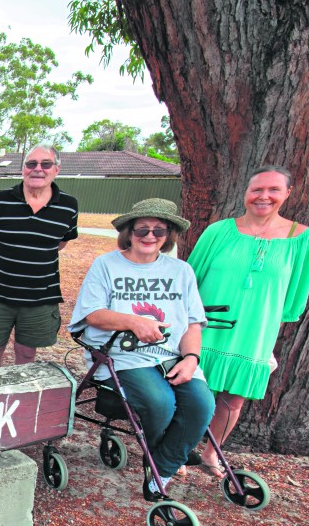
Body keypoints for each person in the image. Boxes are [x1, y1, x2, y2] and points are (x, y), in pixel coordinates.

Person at [70, 198, 215, 501]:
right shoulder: (106, 265)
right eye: (142, 229)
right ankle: (173, 454)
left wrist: (191, 358)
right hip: (123, 356)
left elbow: (192, 323)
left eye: (159, 230)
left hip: (172, 355)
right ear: (129, 232)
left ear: (168, 234)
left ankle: (162, 466)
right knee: (159, 402)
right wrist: (133, 322)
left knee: (201, 404)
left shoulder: (181, 271)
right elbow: (92, 314)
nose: (150, 236)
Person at [187, 165, 309, 474]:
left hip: (255, 331)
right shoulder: (219, 231)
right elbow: (189, 277)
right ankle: (178, 451)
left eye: (274, 190)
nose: (264, 196)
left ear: (287, 193)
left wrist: (272, 328)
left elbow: (296, 291)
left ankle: (211, 453)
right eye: (257, 189)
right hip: (205, 327)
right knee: (189, 392)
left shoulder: (302, 238)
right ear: (246, 192)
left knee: (233, 400)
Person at [0, 144, 78, 368]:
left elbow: (60, 242)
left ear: (57, 169)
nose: (37, 169)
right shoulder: (0, 200)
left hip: (40, 296)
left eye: (46, 164)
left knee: (27, 353)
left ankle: (21, 391)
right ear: (23, 169)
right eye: (31, 164)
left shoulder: (69, 206)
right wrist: (4, 262)